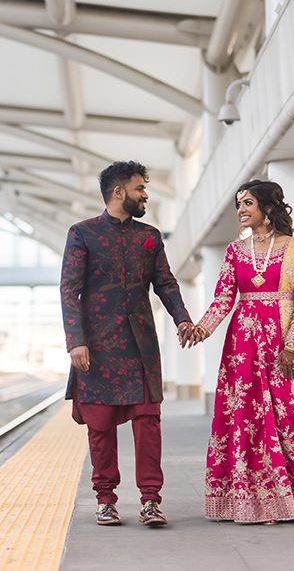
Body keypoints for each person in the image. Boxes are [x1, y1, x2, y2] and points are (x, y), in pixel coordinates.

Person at [185, 180, 294, 524]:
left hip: (286, 347)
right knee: (249, 422)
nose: (240, 210)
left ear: (267, 208)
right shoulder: (234, 251)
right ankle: (255, 501)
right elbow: (224, 299)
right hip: (244, 349)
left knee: (288, 419)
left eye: (248, 203)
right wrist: (202, 328)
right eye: (238, 204)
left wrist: (292, 345)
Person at [60, 160, 194, 527]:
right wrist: (76, 342)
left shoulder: (149, 236)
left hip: (141, 347)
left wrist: (181, 318)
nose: (145, 195)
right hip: (97, 349)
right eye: (139, 189)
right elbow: (70, 290)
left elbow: (165, 283)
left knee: (148, 424)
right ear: (119, 192)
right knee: (100, 429)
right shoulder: (82, 233)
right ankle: (105, 500)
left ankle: (151, 500)